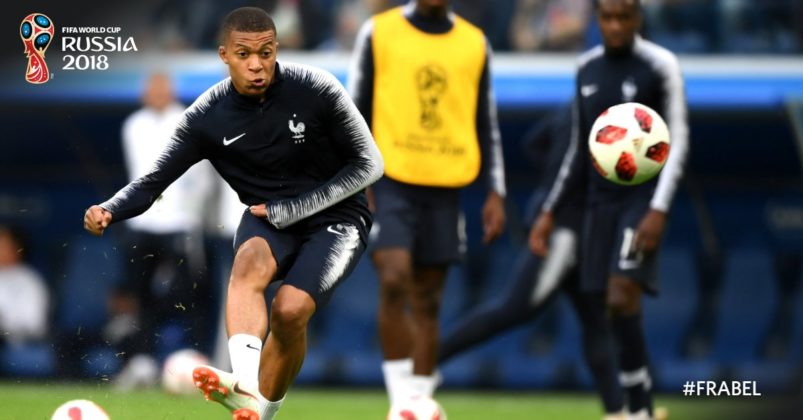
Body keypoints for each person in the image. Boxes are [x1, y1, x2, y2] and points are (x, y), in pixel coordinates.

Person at [83, 7, 383, 420]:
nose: (257, 64)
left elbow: (370, 164)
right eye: (244, 54)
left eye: (266, 52)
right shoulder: (206, 116)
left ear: (277, 49)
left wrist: (292, 208)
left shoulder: (317, 86)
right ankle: (244, 385)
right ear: (224, 55)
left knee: (289, 312)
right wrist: (109, 209)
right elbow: (153, 181)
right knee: (247, 263)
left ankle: (261, 409)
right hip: (268, 216)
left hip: (338, 217)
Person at [530, 1, 688, 419]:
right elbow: (576, 150)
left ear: (638, 19)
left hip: (640, 200)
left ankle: (639, 410)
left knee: (621, 295)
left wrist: (659, 209)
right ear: (597, 19)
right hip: (599, 203)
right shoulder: (587, 67)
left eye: (624, 17)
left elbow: (678, 140)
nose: (615, 26)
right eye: (607, 18)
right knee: (608, 305)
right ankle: (638, 408)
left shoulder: (660, 65)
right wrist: (549, 210)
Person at [349, 0, 507, 406]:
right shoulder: (379, 31)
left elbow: (485, 119)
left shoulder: (474, 42)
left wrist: (496, 190)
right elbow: (354, 108)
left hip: (445, 186)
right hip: (391, 180)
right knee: (394, 278)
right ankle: (401, 400)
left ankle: (418, 401)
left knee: (428, 300)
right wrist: (357, 174)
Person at [437, 104, 627, 419]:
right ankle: (425, 364)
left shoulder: (571, 108)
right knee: (515, 308)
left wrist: (549, 177)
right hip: (562, 228)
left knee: (596, 321)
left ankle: (618, 411)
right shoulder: (610, 118)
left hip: (577, 230)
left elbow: (533, 143)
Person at [110, 72, 216, 390]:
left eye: (161, 88)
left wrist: (192, 214)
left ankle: (195, 359)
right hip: (142, 224)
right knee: (138, 295)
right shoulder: (133, 125)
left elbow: (202, 175)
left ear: (171, 91)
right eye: (151, 88)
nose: (156, 93)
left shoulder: (189, 120)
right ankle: (141, 362)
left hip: (180, 223)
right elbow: (138, 174)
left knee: (190, 293)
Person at [0, 226, 49, 348]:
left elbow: (35, 325)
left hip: (15, 343)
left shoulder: (30, 280)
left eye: (3, 246)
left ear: (17, 249)